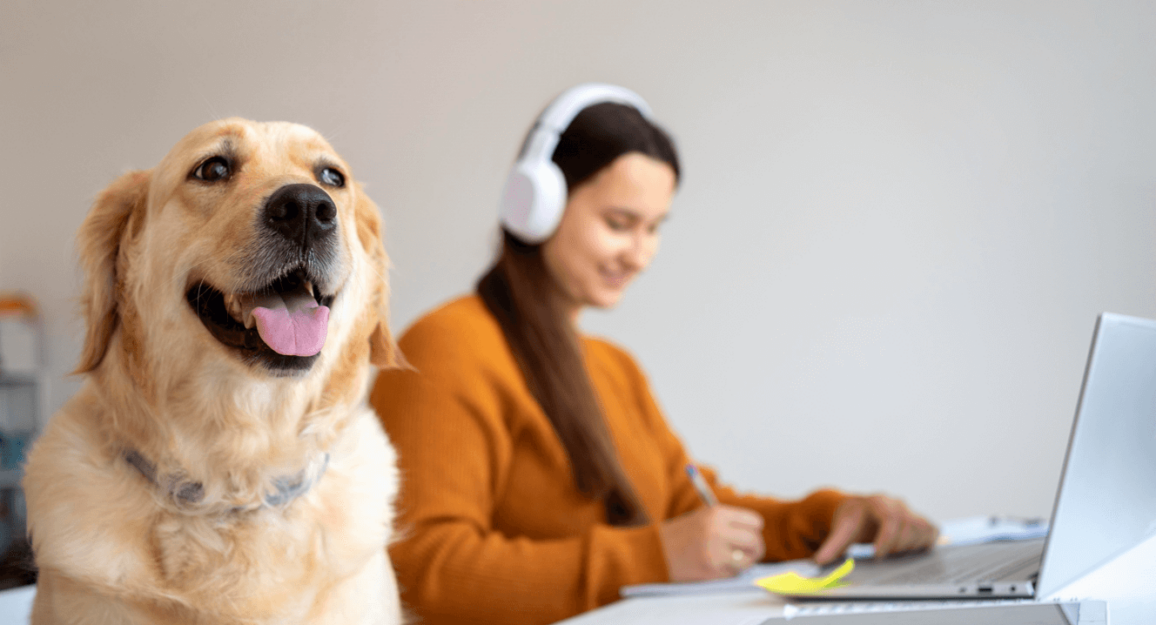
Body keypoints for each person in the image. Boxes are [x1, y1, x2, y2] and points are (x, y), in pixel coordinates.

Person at [370, 84, 938, 625]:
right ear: (536, 204)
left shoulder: (615, 368)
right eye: (619, 224)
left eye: (654, 228)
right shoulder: (448, 346)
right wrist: (650, 559)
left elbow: (692, 512)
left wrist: (832, 519)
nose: (639, 253)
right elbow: (422, 570)